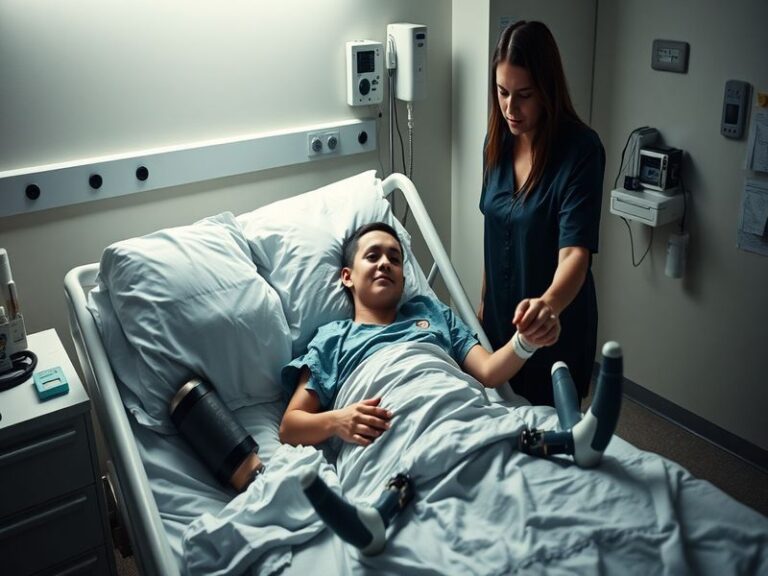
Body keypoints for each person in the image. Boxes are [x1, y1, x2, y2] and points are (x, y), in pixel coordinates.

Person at [279, 222, 559, 447]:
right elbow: (290, 426)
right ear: (347, 276)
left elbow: (489, 371)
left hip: (461, 417)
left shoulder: (431, 312)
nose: (385, 263)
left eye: (395, 258)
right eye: (372, 256)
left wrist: (525, 341)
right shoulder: (332, 339)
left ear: (403, 278)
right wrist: (338, 421)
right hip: (393, 439)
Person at [479, 20, 606, 406]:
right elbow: (494, 226)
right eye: (502, 93)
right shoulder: (498, 140)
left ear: (547, 90)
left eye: (524, 95)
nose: (510, 108)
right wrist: (483, 305)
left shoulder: (580, 151)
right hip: (501, 320)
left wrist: (547, 308)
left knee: (553, 439)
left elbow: (575, 255)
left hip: (554, 325)